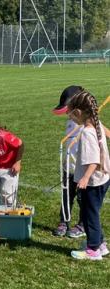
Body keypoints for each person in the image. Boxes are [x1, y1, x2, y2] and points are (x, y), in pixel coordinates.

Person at [66, 92, 110, 260]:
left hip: (93, 181)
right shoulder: (97, 125)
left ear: (77, 113)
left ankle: (93, 250)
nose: (70, 118)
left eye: (70, 114)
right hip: (103, 178)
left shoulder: (86, 132)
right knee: (92, 213)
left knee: (89, 215)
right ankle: (100, 244)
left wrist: (84, 178)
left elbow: (93, 160)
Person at [51, 85, 86, 238]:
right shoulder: (70, 122)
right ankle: (64, 221)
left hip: (82, 169)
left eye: (68, 110)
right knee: (66, 196)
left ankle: (83, 224)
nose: (67, 114)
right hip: (69, 167)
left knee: (82, 199)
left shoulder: (88, 124)